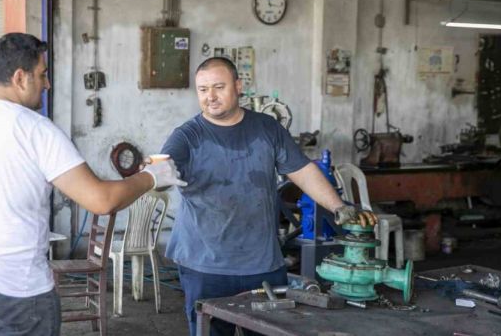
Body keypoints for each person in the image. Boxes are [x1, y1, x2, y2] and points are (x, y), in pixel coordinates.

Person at [0, 32, 186, 336]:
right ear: (19, 77)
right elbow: (101, 200)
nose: (47, 84)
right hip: (16, 290)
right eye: (42, 75)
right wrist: (152, 177)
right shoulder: (35, 130)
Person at [160, 57, 377, 336]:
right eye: (202, 90)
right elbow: (161, 170)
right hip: (205, 265)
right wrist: (154, 176)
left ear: (238, 86)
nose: (210, 97)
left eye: (218, 87)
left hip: (261, 263)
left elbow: (302, 171)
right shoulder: (187, 136)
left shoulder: (267, 128)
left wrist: (338, 206)